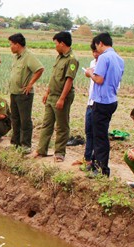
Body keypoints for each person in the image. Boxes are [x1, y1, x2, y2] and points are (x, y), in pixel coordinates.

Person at [30, 32, 78, 162]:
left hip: (62, 96)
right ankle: (41, 150)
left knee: (62, 126)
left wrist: (62, 98)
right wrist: (47, 92)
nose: (55, 46)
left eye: (56, 43)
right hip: (52, 95)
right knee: (47, 124)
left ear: (62, 43)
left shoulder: (72, 59)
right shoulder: (59, 57)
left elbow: (69, 80)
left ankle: (59, 153)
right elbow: (54, 77)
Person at [85, 32, 124, 177]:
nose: (96, 50)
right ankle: (96, 163)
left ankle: (102, 169)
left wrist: (90, 74)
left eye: (96, 46)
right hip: (112, 100)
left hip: (101, 101)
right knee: (100, 133)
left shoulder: (104, 57)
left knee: (99, 136)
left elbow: (99, 79)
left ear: (100, 44)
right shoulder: (119, 59)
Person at [8, 33, 44, 152]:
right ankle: (15, 142)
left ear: (17, 45)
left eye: (11, 44)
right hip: (14, 92)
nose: (10, 47)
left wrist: (30, 84)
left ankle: (26, 145)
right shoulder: (16, 57)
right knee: (15, 118)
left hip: (24, 94)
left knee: (25, 120)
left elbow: (39, 69)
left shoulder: (28, 56)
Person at [81, 42, 101, 171]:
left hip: (100, 103)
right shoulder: (92, 63)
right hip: (90, 102)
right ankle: (87, 159)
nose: (95, 54)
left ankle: (96, 162)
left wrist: (91, 75)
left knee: (97, 133)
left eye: (97, 52)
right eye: (93, 52)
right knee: (88, 131)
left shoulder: (105, 65)